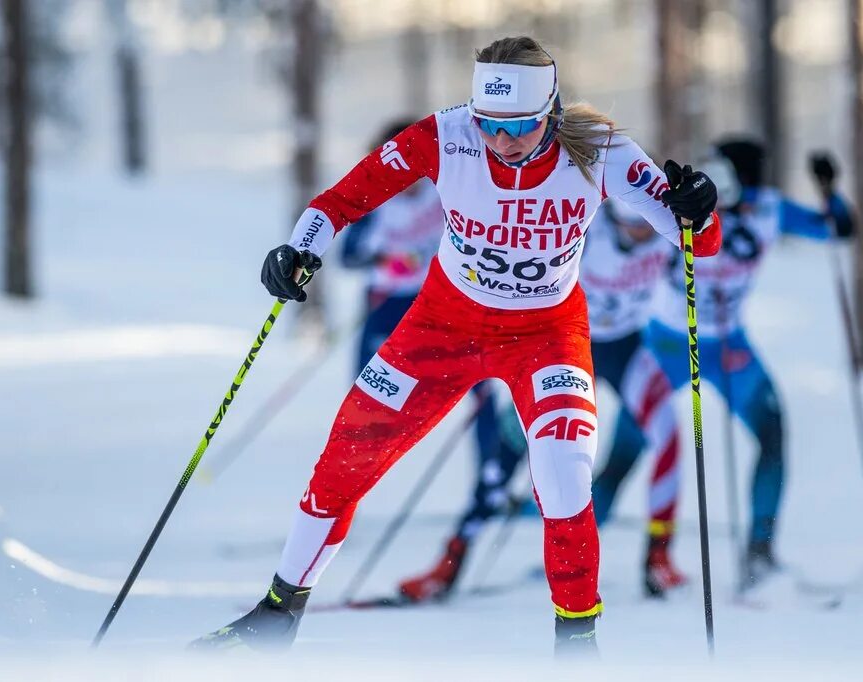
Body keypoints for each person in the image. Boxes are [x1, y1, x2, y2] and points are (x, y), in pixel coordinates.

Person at [192, 35, 721, 655]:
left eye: (520, 126)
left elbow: (697, 242)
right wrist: (299, 251)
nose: (502, 142)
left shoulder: (601, 153)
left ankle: (578, 646)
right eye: (491, 125)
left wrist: (698, 210)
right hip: (443, 327)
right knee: (343, 463)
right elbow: (341, 201)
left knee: (564, 477)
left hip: (547, 336)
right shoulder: (447, 136)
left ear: (550, 113)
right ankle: (276, 614)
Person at [395, 199, 688, 603]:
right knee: (510, 450)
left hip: (625, 348)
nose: (639, 237)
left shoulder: (667, 236)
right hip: (563, 346)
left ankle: (658, 557)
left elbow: (710, 250)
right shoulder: (587, 226)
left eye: (645, 229)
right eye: (630, 228)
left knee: (669, 436)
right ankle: (450, 563)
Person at [628, 138, 853, 590]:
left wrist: (829, 191)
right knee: (627, 447)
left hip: (729, 345)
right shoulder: (690, 197)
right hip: (670, 340)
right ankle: (611, 551)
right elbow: (630, 231)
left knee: (772, 435)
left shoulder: (768, 208)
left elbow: (836, 229)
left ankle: (759, 552)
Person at [340, 120, 518, 533]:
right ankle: (342, 498)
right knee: (369, 402)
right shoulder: (376, 197)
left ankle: (490, 489)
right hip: (386, 304)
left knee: (481, 392)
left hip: (441, 305)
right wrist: (386, 261)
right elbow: (349, 256)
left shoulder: (446, 188)